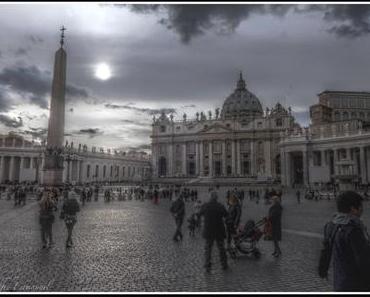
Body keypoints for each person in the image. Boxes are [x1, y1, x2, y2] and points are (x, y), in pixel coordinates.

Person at [321, 191, 370, 292]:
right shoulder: (354, 229)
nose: (362, 209)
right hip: (356, 284)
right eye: (361, 206)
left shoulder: (330, 225)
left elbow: (326, 251)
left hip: (340, 280)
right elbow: (363, 259)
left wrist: (323, 270)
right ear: (353, 209)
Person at [198, 187, 228, 272]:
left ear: (210, 197)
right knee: (221, 248)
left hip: (208, 230)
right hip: (219, 230)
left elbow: (199, 214)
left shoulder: (205, 206)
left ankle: (207, 265)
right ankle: (224, 264)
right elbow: (226, 215)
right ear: (216, 197)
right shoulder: (220, 206)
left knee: (208, 248)